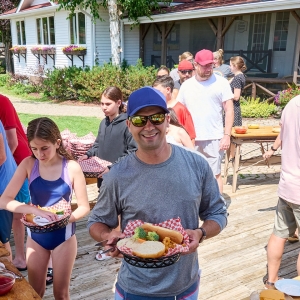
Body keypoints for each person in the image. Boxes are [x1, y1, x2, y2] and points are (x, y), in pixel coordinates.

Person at [87, 86, 227, 299]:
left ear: (168, 120)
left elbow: (217, 213)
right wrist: (108, 235)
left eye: (156, 118)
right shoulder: (117, 175)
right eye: (139, 120)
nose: (149, 126)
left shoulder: (196, 164)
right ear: (129, 124)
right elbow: (96, 222)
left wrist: (201, 232)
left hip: (185, 287)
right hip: (134, 289)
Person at [0, 117, 90, 299]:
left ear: (57, 143)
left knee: (61, 294)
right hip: (36, 238)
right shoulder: (28, 164)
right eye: (34, 148)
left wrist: (65, 219)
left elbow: (84, 207)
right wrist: (33, 210)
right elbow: (4, 200)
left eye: (44, 148)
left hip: (63, 237)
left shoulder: (71, 167)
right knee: (35, 293)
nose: (39, 154)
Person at [78, 86, 137, 260]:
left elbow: (133, 152)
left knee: (120, 211)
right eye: (101, 103)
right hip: (103, 177)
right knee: (105, 209)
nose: (103, 107)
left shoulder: (127, 125)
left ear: (119, 103)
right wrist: (87, 154)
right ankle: (109, 243)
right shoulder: (103, 122)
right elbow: (98, 145)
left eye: (108, 103)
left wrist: (112, 168)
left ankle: (120, 246)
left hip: (121, 176)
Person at [177, 49, 234, 193]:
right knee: (191, 174)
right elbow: (178, 111)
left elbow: (229, 110)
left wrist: (227, 135)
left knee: (215, 174)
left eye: (210, 65)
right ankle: (195, 206)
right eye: (204, 66)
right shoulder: (186, 86)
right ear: (195, 65)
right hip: (191, 138)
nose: (208, 69)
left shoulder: (222, 83)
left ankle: (218, 209)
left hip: (214, 137)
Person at [262, 95, 300, 289]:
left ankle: (271, 281)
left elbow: (283, 132)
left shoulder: (292, 103)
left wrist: (272, 148)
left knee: (279, 234)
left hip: (287, 185)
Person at [0, 94, 32, 271]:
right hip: (7, 165)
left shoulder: (2, 101)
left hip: (17, 161)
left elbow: (12, 142)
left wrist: (11, 173)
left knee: (19, 214)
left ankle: (22, 258)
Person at [152, 75, 196, 145]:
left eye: (158, 91)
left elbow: (191, 137)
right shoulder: (155, 109)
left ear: (168, 90)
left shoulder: (181, 109)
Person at [226, 56, 247, 159]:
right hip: (233, 107)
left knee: (232, 132)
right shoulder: (237, 76)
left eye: (230, 65)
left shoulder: (238, 77)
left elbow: (236, 96)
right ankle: (230, 154)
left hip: (233, 107)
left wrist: (226, 97)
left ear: (235, 66)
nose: (229, 67)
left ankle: (232, 155)